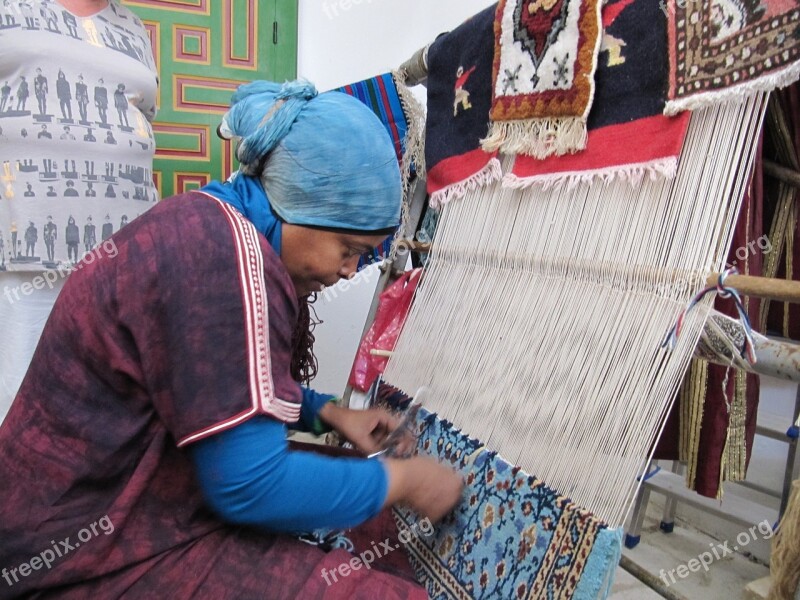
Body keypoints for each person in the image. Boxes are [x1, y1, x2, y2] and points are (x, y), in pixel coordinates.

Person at [0, 79, 463, 598]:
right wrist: (406, 483)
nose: (350, 271)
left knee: (360, 495)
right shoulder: (221, 259)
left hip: (95, 507)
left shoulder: (214, 222)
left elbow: (218, 380)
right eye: (348, 247)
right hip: (80, 553)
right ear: (302, 208)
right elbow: (250, 487)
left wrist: (328, 412)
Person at [0, 0, 159, 418]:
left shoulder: (133, 27)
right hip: (23, 255)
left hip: (125, 256)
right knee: (19, 407)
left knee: (110, 406)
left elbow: (141, 119)